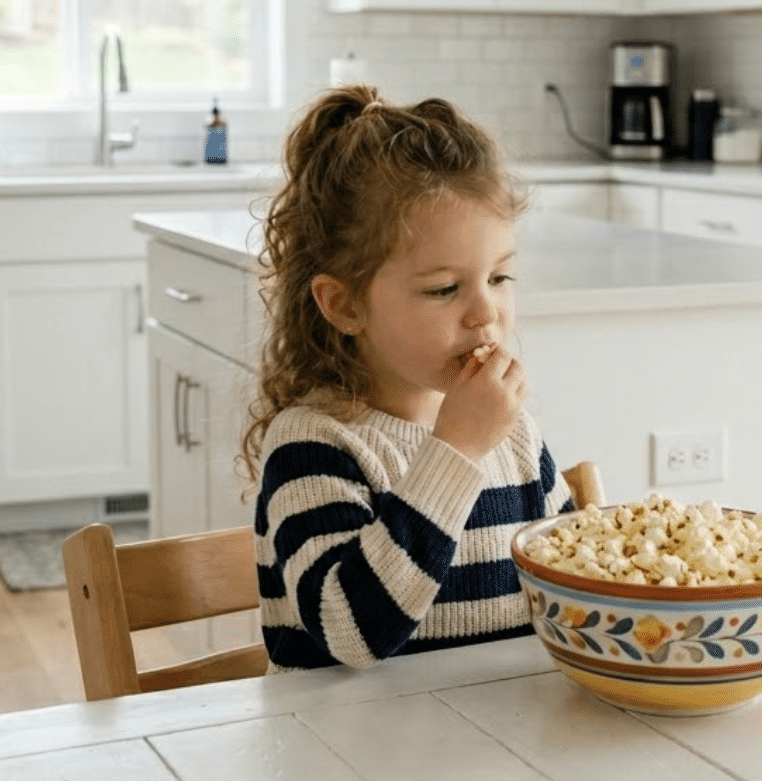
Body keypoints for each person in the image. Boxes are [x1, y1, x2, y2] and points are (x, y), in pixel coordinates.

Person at [241, 85, 573, 672]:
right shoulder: (313, 447)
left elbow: (570, 589)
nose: (485, 313)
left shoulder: (516, 438)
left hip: (495, 749)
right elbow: (352, 632)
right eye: (444, 289)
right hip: (343, 756)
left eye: (499, 279)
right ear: (344, 305)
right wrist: (457, 448)